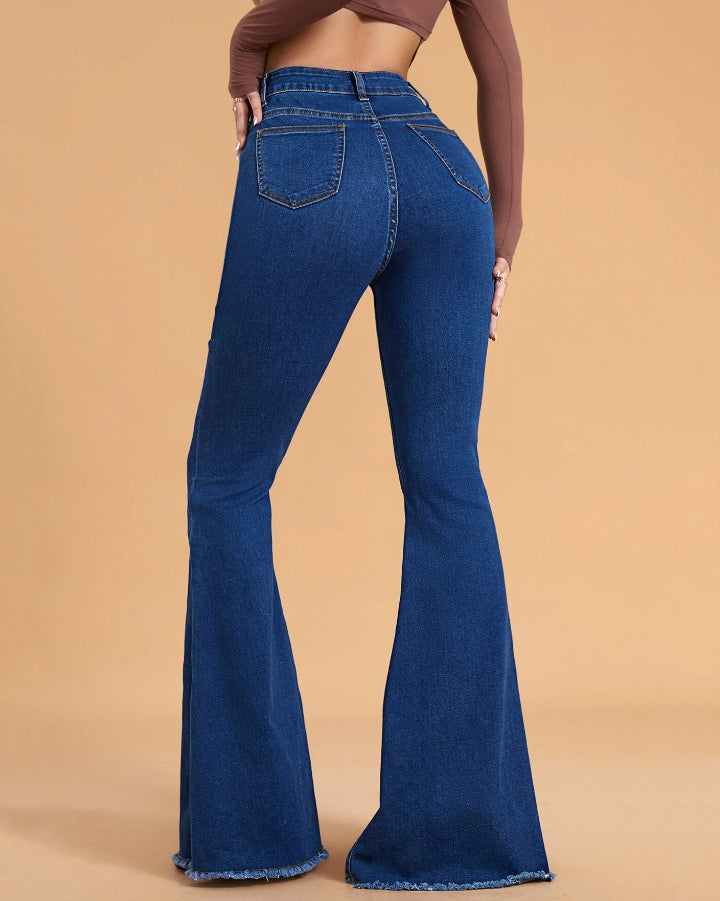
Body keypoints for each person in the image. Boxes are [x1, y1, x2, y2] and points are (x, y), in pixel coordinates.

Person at [172, 0, 557, 891]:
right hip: (439, 169)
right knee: (448, 485)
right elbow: (499, 64)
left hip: (306, 146)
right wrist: (505, 227)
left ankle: (253, 831)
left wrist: (248, 39)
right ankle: (456, 838)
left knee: (227, 481)